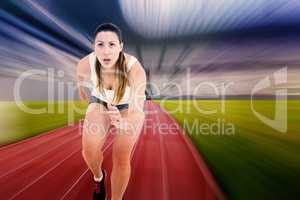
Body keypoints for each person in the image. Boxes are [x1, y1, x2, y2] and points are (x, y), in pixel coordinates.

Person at [76, 23, 146, 200]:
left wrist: (124, 123)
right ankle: (99, 177)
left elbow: (138, 111)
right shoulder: (86, 64)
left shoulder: (135, 69)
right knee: (89, 151)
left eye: (112, 44)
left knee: (121, 156)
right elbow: (80, 77)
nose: (106, 51)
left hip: (128, 109)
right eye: (100, 44)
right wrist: (82, 91)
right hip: (100, 102)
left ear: (121, 46)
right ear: (94, 46)